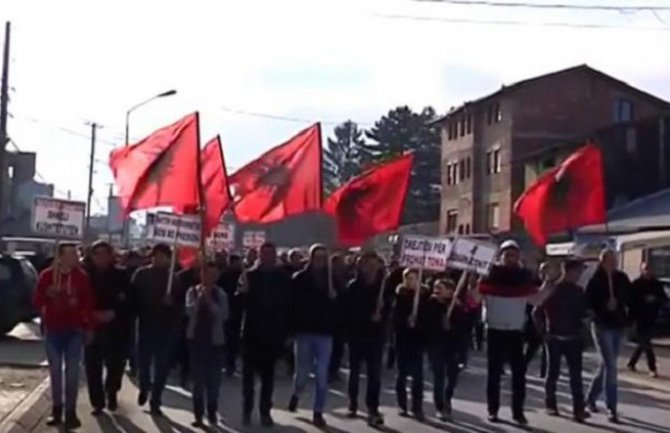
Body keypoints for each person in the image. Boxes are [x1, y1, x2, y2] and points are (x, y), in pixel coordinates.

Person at [475, 240, 553, 426]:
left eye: (513, 255)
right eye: (507, 255)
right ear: (500, 256)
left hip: (515, 333)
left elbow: (535, 300)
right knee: (494, 375)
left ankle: (518, 413)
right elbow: (476, 298)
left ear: (518, 257)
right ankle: (493, 410)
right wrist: (473, 281)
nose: (510, 258)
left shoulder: (523, 278)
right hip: (495, 331)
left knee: (519, 376)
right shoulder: (489, 276)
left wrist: (548, 284)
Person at [34, 243, 94, 429]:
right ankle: (56, 409)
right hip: (53, 330)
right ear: (60, 256)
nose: (75, 258)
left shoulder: (81, 277)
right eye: (70, 254)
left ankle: (71, 411)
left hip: (74, 330)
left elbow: (88, 303)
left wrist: (89, 327)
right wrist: (47, 295)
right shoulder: (47, 276)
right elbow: (36, 300)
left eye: (75, 254)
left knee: (73, 372)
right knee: (55, 371)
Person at [239, 243, 292, 427]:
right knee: (248, 379)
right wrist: (242, 293)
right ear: (260, 255)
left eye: (271, 253)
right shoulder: (249, 275)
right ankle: (247, 410)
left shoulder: (282, 277)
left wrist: (287, 333)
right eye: (265, 253)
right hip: (252, 334)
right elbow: (238, 304)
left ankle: (265, 412)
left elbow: (288, 307)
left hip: (272, 335)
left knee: (268, 379)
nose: (268, 256)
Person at [533, 259, 590, 423]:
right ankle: (550, 404)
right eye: (578, 271)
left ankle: (578, 409)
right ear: (568, 271)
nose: (579, 275)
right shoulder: (553, 290)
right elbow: (536, 312)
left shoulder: (579, 291)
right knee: (553, 373)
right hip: (555, 337)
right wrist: (543, 333)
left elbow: (583, 313)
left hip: (573, 338)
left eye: (580, 272)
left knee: (576, 376)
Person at [287, 244, 337, 428]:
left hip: (324, 333)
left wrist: (335, 298)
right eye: (317, 257)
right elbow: (291, 307)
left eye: (324, 257)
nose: (320, 260)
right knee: (302, 374)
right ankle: (296, 393)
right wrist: (290, 331)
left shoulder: (332, 279)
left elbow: (341, 307)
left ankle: (318, 411)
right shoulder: (299, 278)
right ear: (310, 257)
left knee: (322, 374)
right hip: (304, 332)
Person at [132, 244, 184, 416]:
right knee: (143, 364)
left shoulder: (174, 279)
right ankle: (145, 385)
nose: (158, 259)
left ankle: (156, 400)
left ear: (169, 258)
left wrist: (172, 303)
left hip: (167, 329)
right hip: (146, 325)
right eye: (156, 255)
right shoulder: (141, 274)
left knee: (162, 367)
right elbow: (133, 297)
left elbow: (181, 306)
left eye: (162, 256)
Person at [83, 241, 133, 415]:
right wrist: (93, 315)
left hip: (116, 328)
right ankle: (97, 402)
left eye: (105, 252)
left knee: (115, 366)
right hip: (92, 327)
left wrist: (115, 313)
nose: (101, 256)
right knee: (92, 366)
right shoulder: (85, 275)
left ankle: (111, 392)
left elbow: (130, 302)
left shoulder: (121, 274)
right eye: (97, 253)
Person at [342, 251, 390, 427]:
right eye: (364, 264)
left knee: (374, 375)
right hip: (357, 335)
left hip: (376, 337)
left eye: (371, 264)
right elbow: (346, 312)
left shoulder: (384, 287)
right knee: (354, 372)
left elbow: (391, 312)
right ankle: (353, 402)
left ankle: (373, 408)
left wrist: (382, 314)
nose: (368, 268)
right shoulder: (353, 286)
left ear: (378, 266)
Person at [586, 249, 631, 423]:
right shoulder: (595, 280)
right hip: (602, 325)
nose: (613, 262)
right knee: (611, 366)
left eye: (615, 259)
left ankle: (590, 398)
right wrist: (604, 306)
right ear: (602, 261)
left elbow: (629, 296)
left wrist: (619, 302)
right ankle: (611, 407)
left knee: (606, 365)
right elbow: (589, 302)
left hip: (619, 325)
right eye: (609, 260)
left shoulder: (621, 278)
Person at [185, 261, 229, 428]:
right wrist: (200, 299)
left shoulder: (221, 294)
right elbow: (189, 311)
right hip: (196, 341)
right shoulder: (192, 291)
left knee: (213, 382)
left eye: (213, 275)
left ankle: (212, 412)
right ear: (201, 275)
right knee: (198, 382)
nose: (210, 278)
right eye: (207, 274)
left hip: (215, 343)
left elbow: (223, 315)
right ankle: (197, 414)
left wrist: (210, 300)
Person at [425, 278, 470, 422]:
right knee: (439, 378)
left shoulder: (458, 307)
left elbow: (464, 330)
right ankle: (440, 407)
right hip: (437, 346)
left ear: (451, 291)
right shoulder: (430, 304)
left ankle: (447, 398)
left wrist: (451, 327)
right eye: (435, 286)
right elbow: (427, 326)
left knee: (452, 378)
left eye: (441, 287)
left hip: (453, 347)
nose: (437, 289)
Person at [392, 268, 428, 421]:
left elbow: (429, 317)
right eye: (409, 278)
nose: (411, 281)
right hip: (403, 339)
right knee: (402, 374)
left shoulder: (425, 296)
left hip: (418, 340)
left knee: (418, 376)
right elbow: (395, 318)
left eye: (414, 278)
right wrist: (406, 320)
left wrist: (418, 321)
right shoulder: (399, 296)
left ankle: (417, 406)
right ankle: (402, 404)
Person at [627, 262, 668, 378]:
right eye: (645, 269)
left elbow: (663, 299)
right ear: (641, 270)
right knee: (646, 343)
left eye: (649, 269)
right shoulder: (636, 284)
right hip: (639, 318)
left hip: (651, 317)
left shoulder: (656, 284)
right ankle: (652, 367)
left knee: (643, 342)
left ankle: (632, 362)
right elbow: (630, 300)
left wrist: (654, 299)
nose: (648, 271)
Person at [219, 254, 244, 376]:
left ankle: (231, 363)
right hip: (227, 310)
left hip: (239, 311)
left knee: (234, 340)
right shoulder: (224, 275)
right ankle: (227, 363)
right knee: (228, 339)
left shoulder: (243, 274)